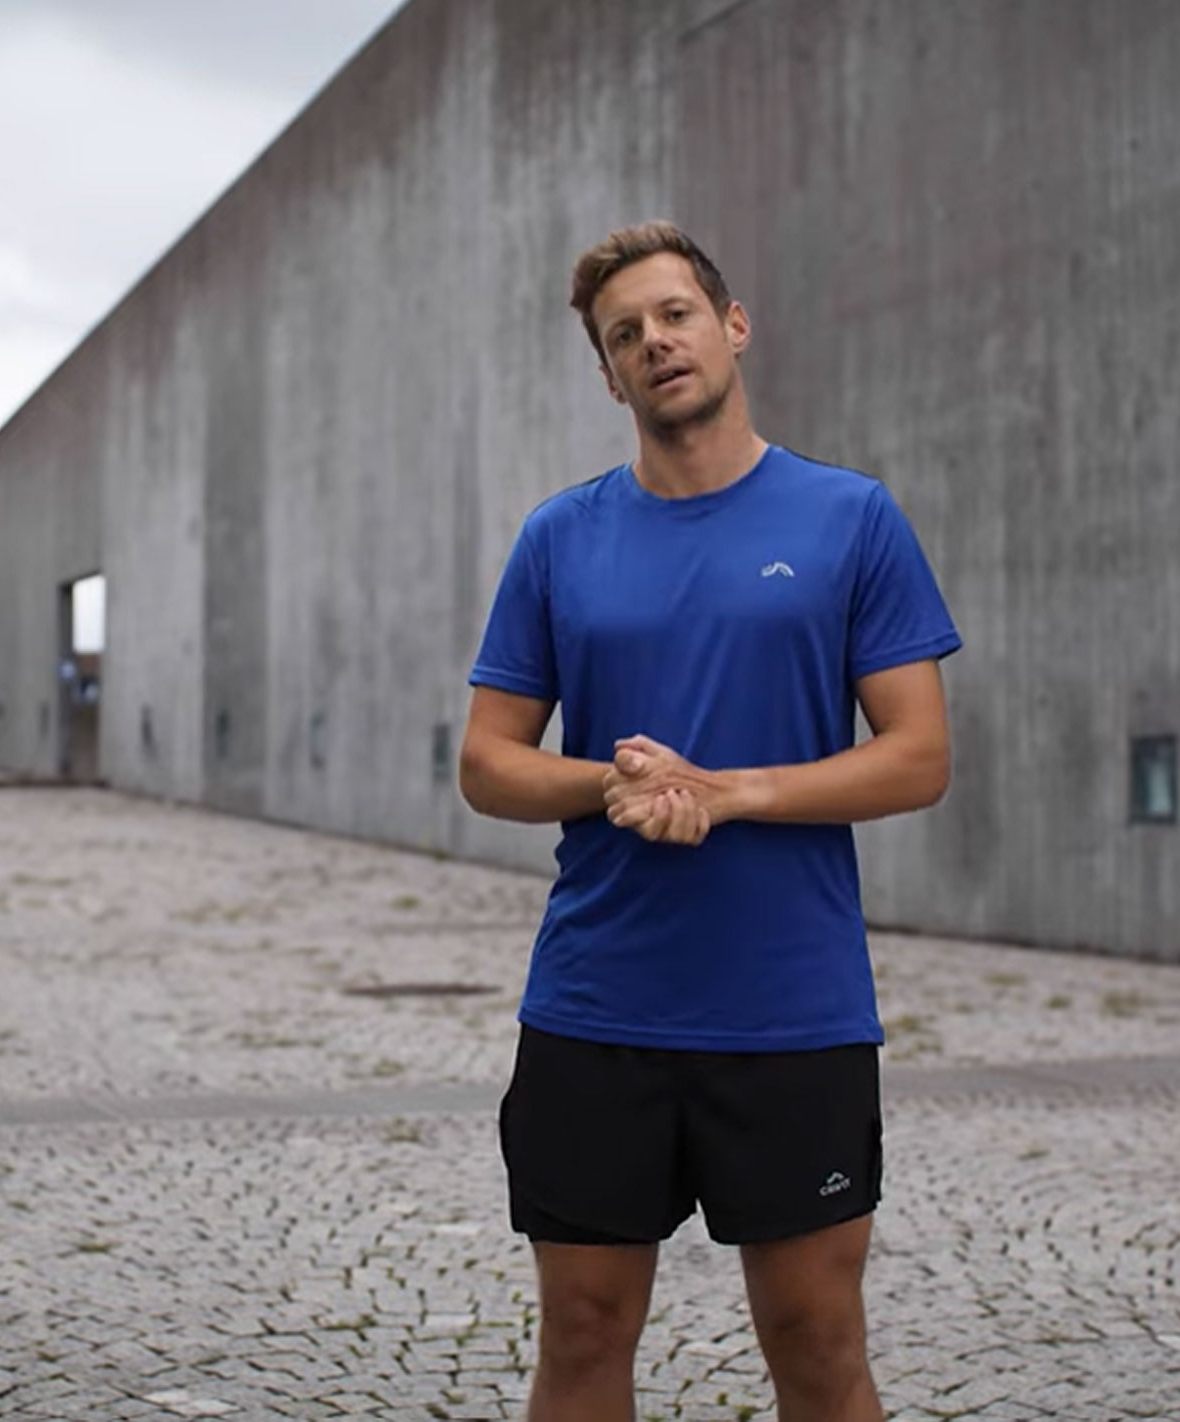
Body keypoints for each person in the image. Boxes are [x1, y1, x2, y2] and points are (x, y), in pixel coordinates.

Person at [458, 221, 961, 1422]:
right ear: (607, 374)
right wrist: (612, 787)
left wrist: (728, 791)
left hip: (790, 1009)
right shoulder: (558, 537)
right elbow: (487, 762)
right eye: (623, 334)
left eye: (674, 315)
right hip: (596, 1005)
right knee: (580, 1336)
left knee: (815, 1339)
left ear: (731, 327)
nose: (653, 343)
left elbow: (918, 755)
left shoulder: (849, 518)